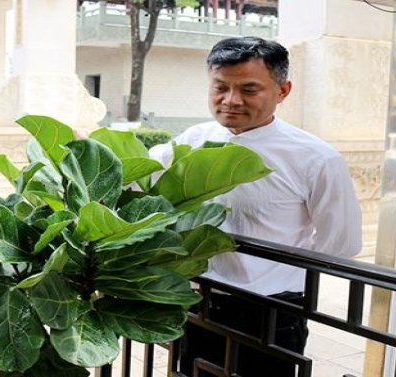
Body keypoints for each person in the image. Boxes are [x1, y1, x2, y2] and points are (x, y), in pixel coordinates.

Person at [149, 36, 362, 376]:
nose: (231, 100)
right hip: (198, 302)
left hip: (271, 313)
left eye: (249, 90)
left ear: (283, 90)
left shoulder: (316, 158)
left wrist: (278, 271)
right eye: (220, 87)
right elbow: (143, 181)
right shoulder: (192, 140)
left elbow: (342, 242)